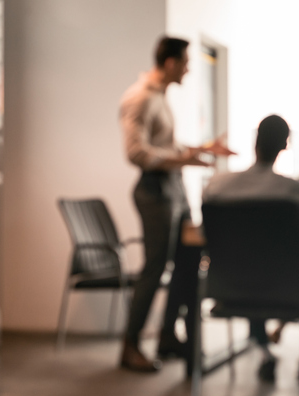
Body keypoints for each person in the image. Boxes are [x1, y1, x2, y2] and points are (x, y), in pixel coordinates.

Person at [118, 36, 234, 373]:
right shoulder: (138, 99)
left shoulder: (160, 98)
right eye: (185, 62)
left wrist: (201, 151)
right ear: (170, 63)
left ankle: (169, 335)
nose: (188, 69)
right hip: (155, 192)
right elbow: (136, 153)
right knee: (154, 269)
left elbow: (165, 145)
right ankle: (130, 345)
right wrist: (185, 159)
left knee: (188, 261)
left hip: (173, 190)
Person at [203, 115, 299, 383]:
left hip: (230, 289)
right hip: (289, 290)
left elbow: (206, 239)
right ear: (284, 146)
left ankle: (264, 352)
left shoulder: (217, 188)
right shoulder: (294, 191)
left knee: (251, 268)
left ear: (255, 143)